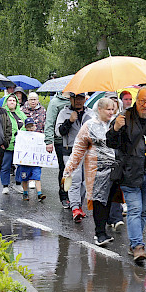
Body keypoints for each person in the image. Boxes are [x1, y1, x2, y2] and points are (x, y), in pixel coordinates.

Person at [106, 86, 146, 263]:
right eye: (142, 101)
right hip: (129, 173)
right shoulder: (124, 117)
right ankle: (138, 246)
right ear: (136, 100)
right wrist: (116, 129)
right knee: (134, 209)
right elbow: (111, 142)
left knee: (143, 212)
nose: (145, 105)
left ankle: (133, 245)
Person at [64, 97, 120, 245]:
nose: (111, 112)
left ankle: (105, 229)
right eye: (108, 109)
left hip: (115, 169)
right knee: (98, 200)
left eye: (113, 109)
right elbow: (78, 149)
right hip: (96, 169)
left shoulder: (117, 123)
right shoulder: (89, 126)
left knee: (109, 200)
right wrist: (70, 168)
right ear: (99, 109)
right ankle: (99, 233)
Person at [57, 92, 95, 222]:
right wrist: (70, 121)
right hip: (70, 150)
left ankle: (78, 205)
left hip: (87, 151)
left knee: (86, 181)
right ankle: (75, 207)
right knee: (74, 179)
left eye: (81, 98)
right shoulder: (64, 113)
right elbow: (59, 132)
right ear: (71, 99)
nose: (79, 101)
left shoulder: (90, 113)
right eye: (76, 98)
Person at [44, 90, 71, 208]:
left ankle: (74, 195)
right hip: (60, 141)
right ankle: (64, 195)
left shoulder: (76, 100)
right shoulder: (55, 103)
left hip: (74, 140)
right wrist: (49, 141)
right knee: (64, 169)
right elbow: (49, 122)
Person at [0, 94, 26, 194]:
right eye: (9, 100)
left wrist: (21, 132)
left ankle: (18, 183)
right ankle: (5, 185)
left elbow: (27, 125)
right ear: (6, 102)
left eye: (14, 101)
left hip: (20, 145)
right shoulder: (2, 114)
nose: (12, 102)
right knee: (5, 166)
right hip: (7, 144)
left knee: (21, 165)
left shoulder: (21, 114)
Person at [17, 118, 46, 201]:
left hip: (35, 162)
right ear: (25, 127)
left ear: (35, 126)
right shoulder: (22, 136)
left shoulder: (39, 136)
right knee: (24, 178)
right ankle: (25, 193)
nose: (30, 128)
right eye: (28, 126)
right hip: (25, 162)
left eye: (32, 126)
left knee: (37, 177)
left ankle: (39, 193)